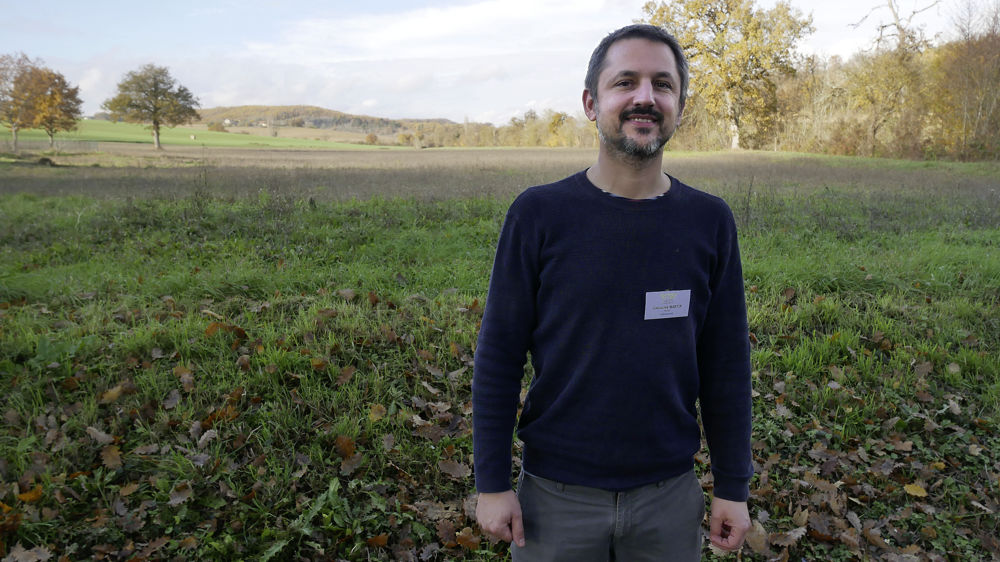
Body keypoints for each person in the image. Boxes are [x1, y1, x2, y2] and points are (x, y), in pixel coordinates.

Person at [471, 23, 754, 561]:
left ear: (679, 105)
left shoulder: (709, 222)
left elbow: (726, 366)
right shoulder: (539, 215)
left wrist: (733, 487)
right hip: (554, 501)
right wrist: (492, 483)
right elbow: (500, 356)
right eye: (626, 81)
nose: (645, 97)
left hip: (669, 500)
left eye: (662, 84)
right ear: (590, 101)